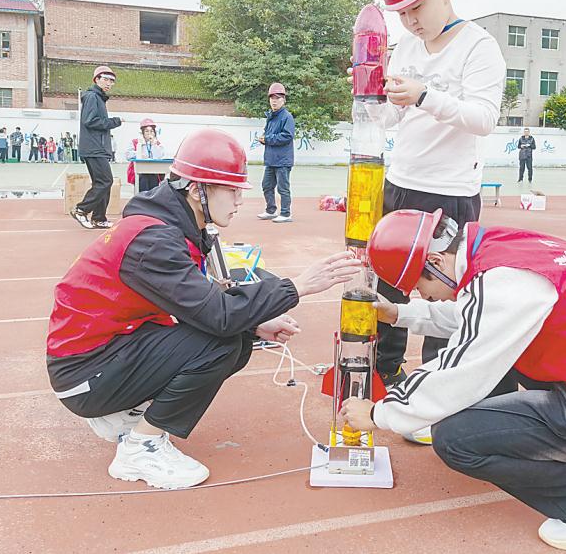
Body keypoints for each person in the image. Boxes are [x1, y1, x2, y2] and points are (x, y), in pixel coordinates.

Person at [339, 208, 566, 552]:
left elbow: (462, 370)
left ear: (437, 261)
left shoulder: (507, 281)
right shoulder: (496, 249)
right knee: (494, 361)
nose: (424, 296)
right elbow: (479, 315)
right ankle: (534, 440)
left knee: (455, 440)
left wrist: (379, 413)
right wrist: (400, 314)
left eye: (419, 286)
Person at [46, 128, 361, 490]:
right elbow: (219, 316)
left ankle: (125, 414)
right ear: (197, 190)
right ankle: (141, 448)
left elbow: (200, 305)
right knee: (221, 342)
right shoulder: (154, 241)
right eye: (232, 190)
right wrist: (298, 286)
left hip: (103, 355)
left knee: (236, 339)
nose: (240, 200)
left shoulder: (170, 229)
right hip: (83, 375)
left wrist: (254, 325)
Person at [356, 0, 506, 441]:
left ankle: (435, 397)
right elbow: (390, 118)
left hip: (449, 194)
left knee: (442, 292)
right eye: (401, 14)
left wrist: (425, 95)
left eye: (417, 8)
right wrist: (373, 94)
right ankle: (387, 377)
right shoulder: (406, 47)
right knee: (388, 288)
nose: (411, 22)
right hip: (400, 185)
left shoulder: (479, 47)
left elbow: (484, 118)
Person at [71, 66, 123, 229]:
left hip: (97, 147)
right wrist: (114, 122)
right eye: (105, 79)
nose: (109, 83)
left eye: (112, 81)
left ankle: (99, 218)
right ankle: (81, 210)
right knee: (105, 181)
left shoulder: (98, 98)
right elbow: (90, 121)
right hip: (94, 148)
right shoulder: (92, 96)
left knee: (102, 182)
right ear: (96, 79)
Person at [256, 83, 296, 223]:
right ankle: (270, 210)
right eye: (272, 98)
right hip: (271, 159)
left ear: (283, 100)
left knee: (283, 188)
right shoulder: (271, 116)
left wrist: (268, 139)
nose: (274, 101)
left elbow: (287, 136)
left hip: (283, 160)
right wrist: (264, 139)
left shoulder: (287, 117)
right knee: (266, 185)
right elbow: (270, 135)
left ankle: (285, 213)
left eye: (277, 98)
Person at [126, 118, 165, 193]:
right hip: (140, 172)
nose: (149, 133)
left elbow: (159, 156)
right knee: (143, 181)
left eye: (151, 131)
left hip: (153, 172)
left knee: (154, 183)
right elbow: (128, 155)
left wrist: (154, 145)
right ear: (142, 132)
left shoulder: (157, 143)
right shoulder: (135, 142)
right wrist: (139, 154)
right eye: (146, 131)